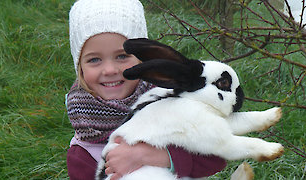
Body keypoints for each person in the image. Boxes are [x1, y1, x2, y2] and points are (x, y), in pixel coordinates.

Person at [65, 0, 227, 180]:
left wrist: (158, 156)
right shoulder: (84, 148)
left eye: (122, 56)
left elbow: (216, 156)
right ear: (80, 67)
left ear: (143, 59)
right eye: (94, 59)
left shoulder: (166, 102)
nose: (110, 70)